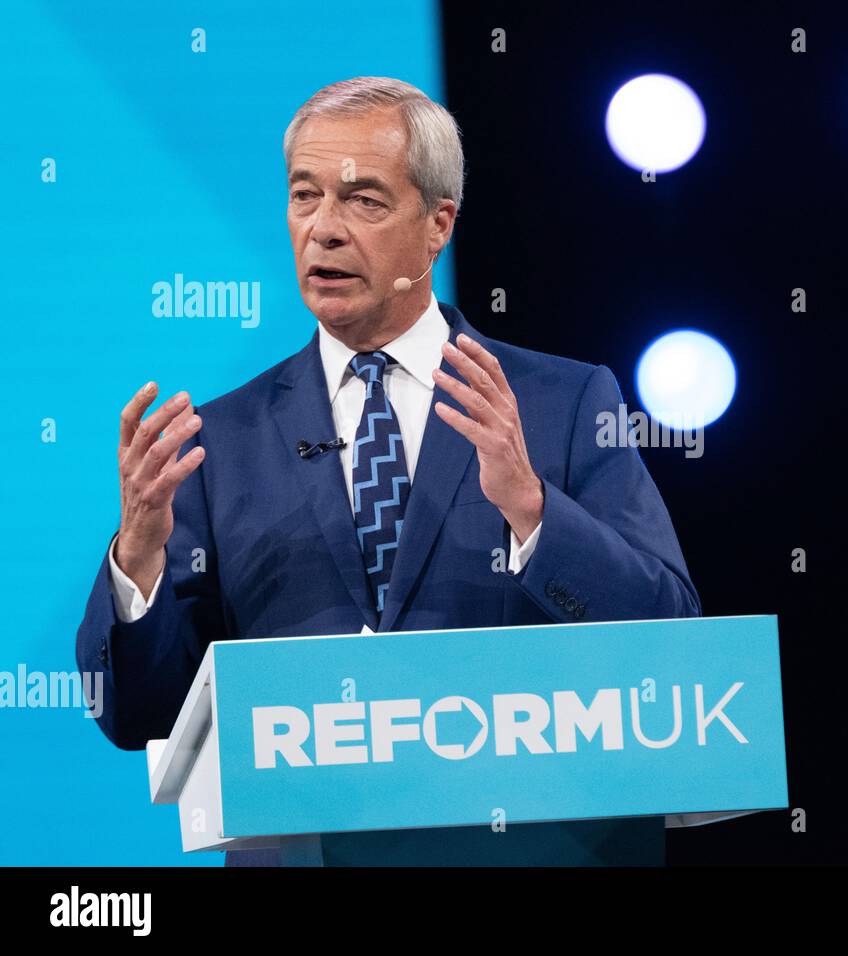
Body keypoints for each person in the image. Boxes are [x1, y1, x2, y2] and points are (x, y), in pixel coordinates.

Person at [75, 76, 700, 866]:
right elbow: (137, 716)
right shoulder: (218, 443)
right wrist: (139, 557)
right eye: (305, 197)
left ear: (439, 224)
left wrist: (534, 510)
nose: (323, 231)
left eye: (363, 201)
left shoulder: (565, 403)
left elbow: (672, 641)